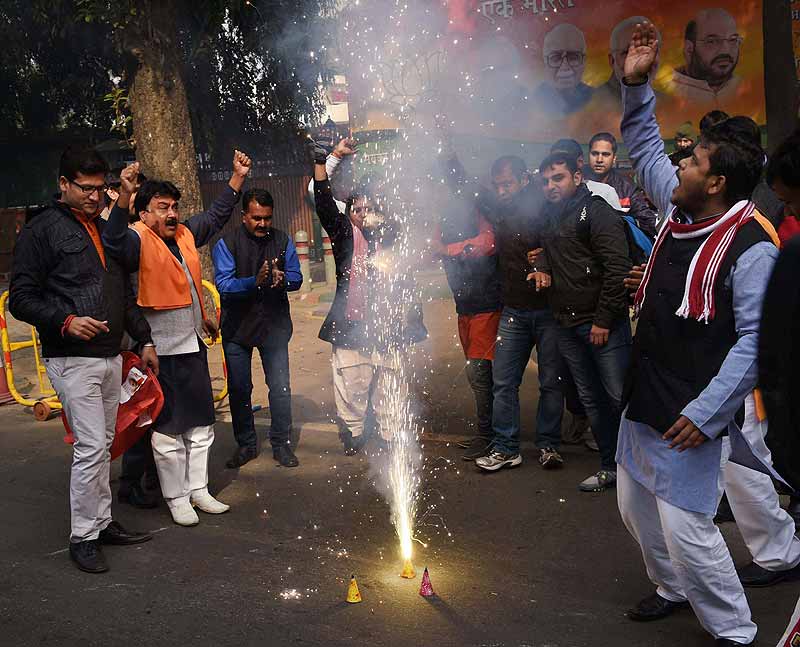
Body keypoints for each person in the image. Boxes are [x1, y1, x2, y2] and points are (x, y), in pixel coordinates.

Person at [616, 23, 777, 645]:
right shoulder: (681, 207)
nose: (679, 162)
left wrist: (708, 413)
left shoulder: (752, 246)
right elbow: (645, 146)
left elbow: (754, 343)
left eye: (695, 160)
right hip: (646, 391)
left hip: (692, 406)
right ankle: (671, 587)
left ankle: (735, 631)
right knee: (635, 508)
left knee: (688, 527)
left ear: (715, 183)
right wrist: (635, 86)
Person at [9, 146, 158, 573]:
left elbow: (124, 292)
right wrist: (66, 320)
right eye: (86, 188)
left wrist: (144, 340)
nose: (95, 197)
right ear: (63, 185)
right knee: (92, 447)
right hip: (71, 358)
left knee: (104, 445)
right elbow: (20, 298)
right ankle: (83, 536)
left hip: (112, 355)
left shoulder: (106, 229)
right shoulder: (41, 231)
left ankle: (102, 521)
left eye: (101, 189)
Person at [103, 151, 252, 527]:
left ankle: (198, 490)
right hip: (157, 351)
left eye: (173, 207)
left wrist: (237, 178)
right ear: (144, 213)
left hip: (191, 346)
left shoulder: (183, 234)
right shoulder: (135, 240)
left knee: (201, 424)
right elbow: (112, 240)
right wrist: (123, 196)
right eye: (160, 207)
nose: (170, 214)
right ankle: (176, 497)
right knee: (168, 430)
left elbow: (215, 216)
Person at [312, 140, 426, 455]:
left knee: (391, 379)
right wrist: (323, 162)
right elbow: (321, 202)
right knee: (353, 382)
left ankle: (390, 433)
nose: (364, 215)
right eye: (357, 209)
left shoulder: (392, 234)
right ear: (349, 213)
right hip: (351, 322)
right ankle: (354, 431)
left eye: (370, 209)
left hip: (389, 323)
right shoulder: (344, 233)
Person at [530, 152, 632, 491]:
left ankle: (639, 472)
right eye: (545, 181)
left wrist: (603, 320)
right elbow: (548, 248)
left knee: (620, 398)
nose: (550, 186)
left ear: (576, 177)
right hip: (566, 324)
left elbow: (618, 269)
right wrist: (542, 265)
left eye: (558, 178)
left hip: (601, 326)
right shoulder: (549, 215)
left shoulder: (597, 212)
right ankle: (610, 467)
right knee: (592, 400)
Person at [472, 156, 566, 472]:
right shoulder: (498, 209)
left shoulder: (546, 208)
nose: (501, 191)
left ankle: (549, 444)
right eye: (497, 186)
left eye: (507, 184)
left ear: (524, 180)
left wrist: (544, 263)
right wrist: (447, 153)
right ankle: (506, 447)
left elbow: (564, 244)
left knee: (551, 380)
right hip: (513, 310)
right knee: (503, 381)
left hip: (549, 310)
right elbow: (467, 186)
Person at [212, 188, 303, 469]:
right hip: (238, 329)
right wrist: (254, 281)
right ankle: (247, 445)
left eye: (267, 218)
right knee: (240, 388)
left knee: (280, 387)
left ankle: (281, 444)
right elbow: (224, 286)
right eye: (256, 218)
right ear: (243, 216)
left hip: (273, 327)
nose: (263, 224)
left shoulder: (283, 240)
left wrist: (282, 279)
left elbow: (297, 278)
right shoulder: (226, 244)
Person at [430, 155, 502, 461]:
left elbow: (489, 242)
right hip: (465, 306)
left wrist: (448, 250)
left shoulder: (478, 209)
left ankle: (489, 436)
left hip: (487, 303)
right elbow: (428, 248)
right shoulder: (444, 214)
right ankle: (487, 433)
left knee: (481, 372)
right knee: (477, 373)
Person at [585, 132, 657, 237]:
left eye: (605, 154)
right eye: (595, 154)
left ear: (614, 158)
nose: (599, 160)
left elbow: (647, 220)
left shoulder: (627, 187)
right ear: (589, 155)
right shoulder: (577, 181)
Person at [671, 8, 743, 106]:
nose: (726, 50)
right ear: (689, 49)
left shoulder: (744, 87)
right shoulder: (668, 91)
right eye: (712, 41)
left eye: (733, 40)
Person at [533, 24, 593, 116]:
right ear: (545, 62)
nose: (565, 66)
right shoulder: (533, 101)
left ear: (583, 61)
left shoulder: (596, 98)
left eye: (573, 57)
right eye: (556, 58)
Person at [550, 139, 623, 210]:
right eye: (553, 161)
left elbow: (618, 222)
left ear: (580, 161)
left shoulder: (605, 193)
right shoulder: (548, 193)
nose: (557, 167)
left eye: (562, 162)